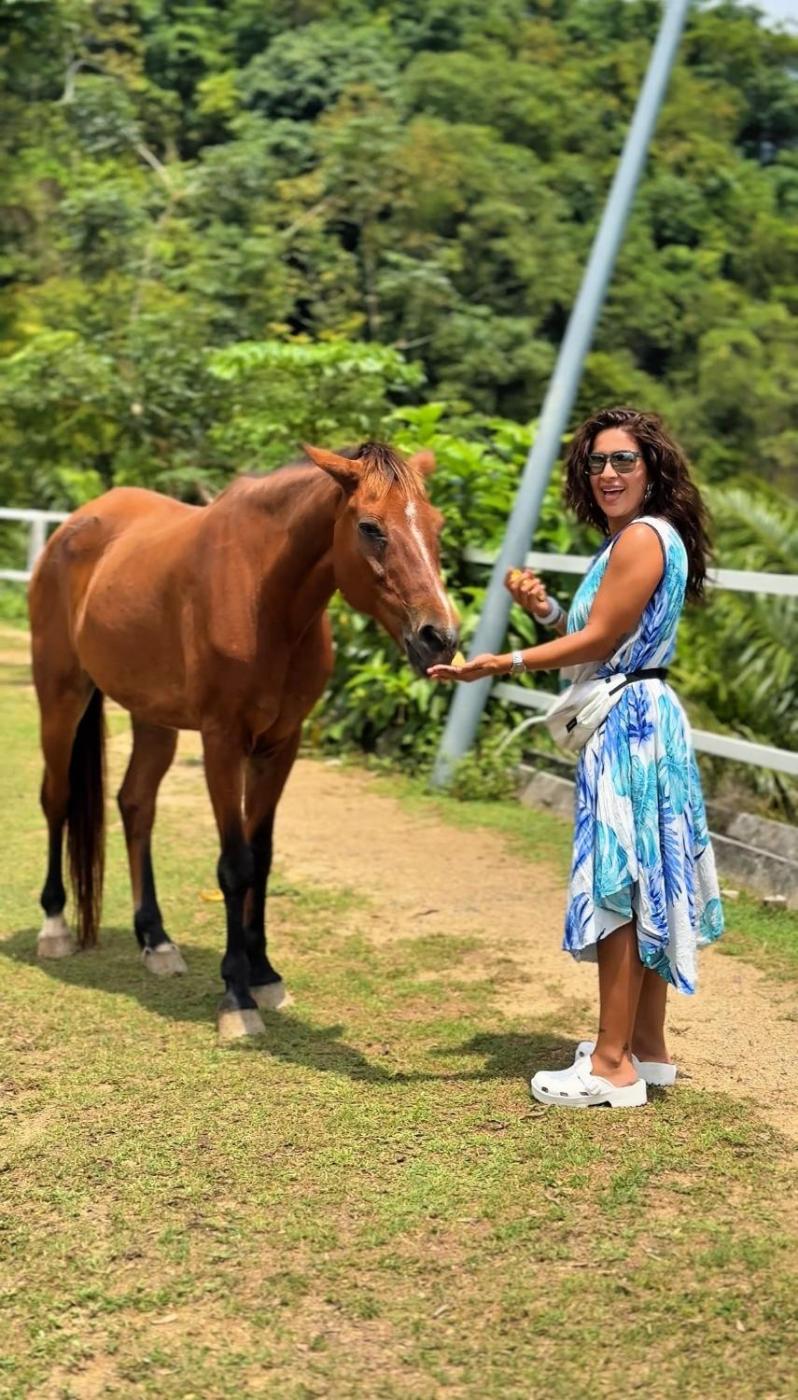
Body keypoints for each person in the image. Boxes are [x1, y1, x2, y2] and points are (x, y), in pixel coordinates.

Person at [429, 406, 724, 1110]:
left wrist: (503, 661)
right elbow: (596, 638)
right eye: (596, 462)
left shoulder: (643, 538)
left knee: (618, 884)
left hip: (631, 727)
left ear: (652, 468)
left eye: (623, 460)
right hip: (638, 717)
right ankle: (647, 1050)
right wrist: (545, 614)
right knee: (644, 880)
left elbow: (603, 641)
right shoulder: (635, 539)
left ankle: (612, 1066)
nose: (607, 473)